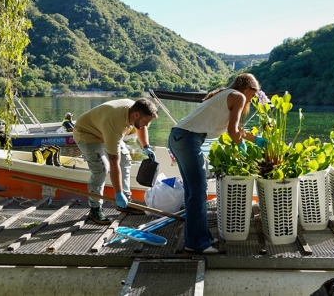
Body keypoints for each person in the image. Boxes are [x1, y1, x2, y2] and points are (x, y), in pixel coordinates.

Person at [168, 73, 268, 254]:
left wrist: (254, 139)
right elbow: (232, 131)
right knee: (198, 191)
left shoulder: (226, 94)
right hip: (188, 139)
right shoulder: (238, 96)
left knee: (193, 192)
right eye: (252, 95)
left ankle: (201, 237)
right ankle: (196, 244)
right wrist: (243, 148)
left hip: (179, 137)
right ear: (247, 89)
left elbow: (236, 129)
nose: (251, 100)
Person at [73, 98, 158, 224]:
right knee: (101, 168)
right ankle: (95, 209)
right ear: (136, 115)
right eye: (146, 121)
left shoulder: (138, 111)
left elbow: (140, 126)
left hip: (104, 130)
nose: (146, 124)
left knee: (126, 159)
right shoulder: (115, 122)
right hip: (87, 133)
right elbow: (114, 162)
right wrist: (117, 193)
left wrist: (146, 147)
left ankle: (125, 202)